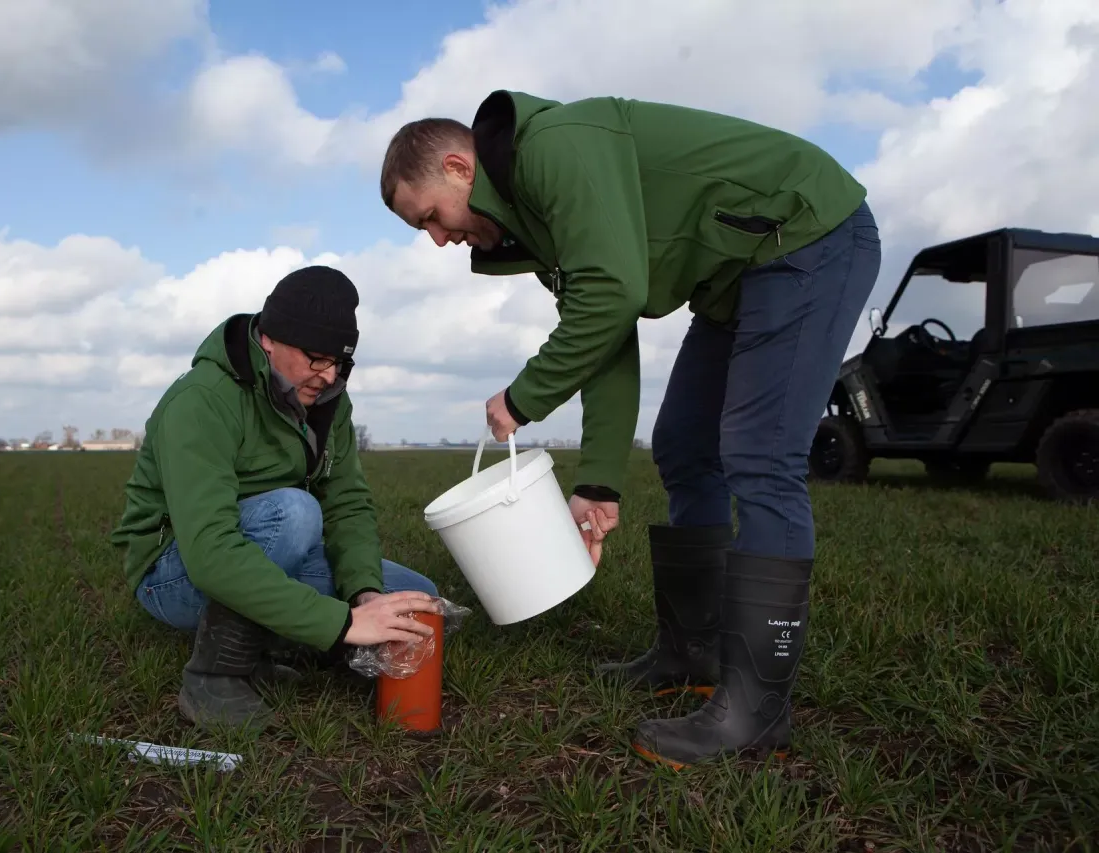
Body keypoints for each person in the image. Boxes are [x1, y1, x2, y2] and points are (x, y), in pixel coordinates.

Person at [378, 90, 881, 768]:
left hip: (808, 234)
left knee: (760, 457)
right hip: (739, 275)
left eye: (431, 217)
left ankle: (758, 710)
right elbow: (606, 336)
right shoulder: (536, 224)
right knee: (682, 446)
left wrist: (524, 397)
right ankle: (693, 652)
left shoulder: (553, 148)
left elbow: (611, 292)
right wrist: (597, 482)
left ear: (459, 166)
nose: (439, 239)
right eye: (424, 231)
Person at [110, 265, 442, 730]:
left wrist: (365, 596)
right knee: (295, 512)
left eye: (340, 364)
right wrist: (343, 625)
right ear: (269, 340)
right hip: (174, 573)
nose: (328, 377)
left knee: (413, 600)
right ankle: (214, 674)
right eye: (316, 359)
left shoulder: (327, 400)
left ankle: (289, 645)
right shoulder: (202, 400)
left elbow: (347, 502)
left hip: (270, 548)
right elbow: (209, 553)